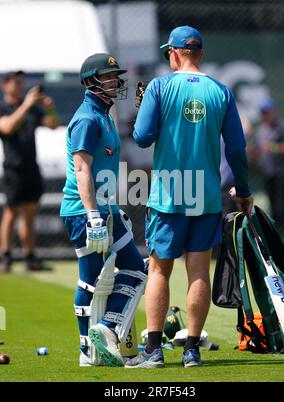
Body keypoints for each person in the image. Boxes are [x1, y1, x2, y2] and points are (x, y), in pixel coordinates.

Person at [125, 26, 253, 369]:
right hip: (207, 196)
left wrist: (142, 111)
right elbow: (238, 149)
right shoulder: (220, 91)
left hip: (168, 195)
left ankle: (153, 350)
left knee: (159, 270)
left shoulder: (160, 86)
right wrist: (243, 189)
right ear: (199, 52)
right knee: (198, 271)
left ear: (175, 52)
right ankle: (192, 350)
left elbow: (141, 138)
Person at [60, 53, 146, 367]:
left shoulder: (105, 113)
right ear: (90, 82)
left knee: (136, 268)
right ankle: (87, 351)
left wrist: (109, 209)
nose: (114, 81)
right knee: (90, 281)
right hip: (83, 212)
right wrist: (93, 214)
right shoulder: (87, 117)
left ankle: (106, 329)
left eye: (115, 76)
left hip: (105, 209)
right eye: (107, 76)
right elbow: (82, 170)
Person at [0, 71, 58, 273]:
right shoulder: (4, 108)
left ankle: (30, 256)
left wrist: (50, 109)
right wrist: (26, 104)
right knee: (11, 213)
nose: (19, 86)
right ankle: (6, 256)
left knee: (30, 214)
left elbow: (52, 125)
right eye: (15, 83)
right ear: (5, 86)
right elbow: (7, 127)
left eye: (20, 83)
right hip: (12, 169)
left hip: (31, 167)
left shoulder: (32, 109)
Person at [255, 97, 284, 246]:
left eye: (267, 111)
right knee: (274, 207)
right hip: (268, 174)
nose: (264, 115)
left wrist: (274, 148)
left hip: (283, 174)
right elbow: (258, 151)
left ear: (273, 111)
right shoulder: (261, 130)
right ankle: (278, 238)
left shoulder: (282, 126)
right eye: (262, 112)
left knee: (283, 207)